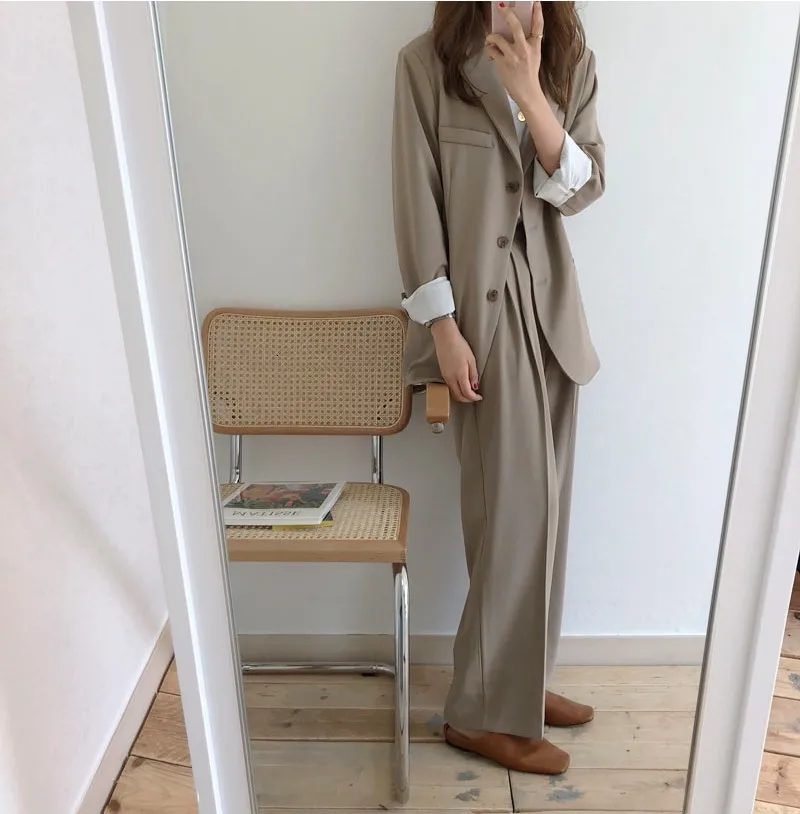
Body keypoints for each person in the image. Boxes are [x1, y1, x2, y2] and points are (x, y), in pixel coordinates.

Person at [392, 0, 605, 775]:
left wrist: (531, 95)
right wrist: (442, 329)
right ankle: (480, 711)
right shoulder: (426, 66)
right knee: (510, 514)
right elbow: (415, 200)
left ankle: (523, 683)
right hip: (480, 316)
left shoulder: (571, 60)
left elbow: (581, 189)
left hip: (552, 311)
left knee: (546, 511)